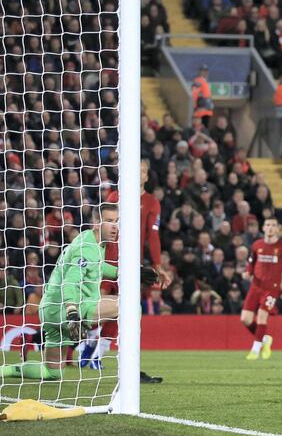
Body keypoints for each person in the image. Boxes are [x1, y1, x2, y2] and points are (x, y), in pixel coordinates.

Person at [1, 204, 158, 380]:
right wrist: (72, 311)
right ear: (96, 223)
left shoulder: (90, 241)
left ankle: (4, 371)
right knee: (131, 305)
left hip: (49, 309)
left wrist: (128, 271)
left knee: (52, 372)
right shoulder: (87, 248)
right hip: (67, 308)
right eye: (109, 221)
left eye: (117, 221)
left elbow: (96, 266)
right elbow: (71, 281)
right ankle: (130, 370)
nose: (115, 226)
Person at [80, 160, 171, 384]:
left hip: (132, 263)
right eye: (136, 169)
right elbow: (103, 229)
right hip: (109, 259)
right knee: (99, 304)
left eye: (143, 171)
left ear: (147, 177)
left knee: (126, 307)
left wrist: (158, 266)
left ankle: (97, 354)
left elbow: (153, 236)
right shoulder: (115, 197)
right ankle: (89, 340)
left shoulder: (151, 203)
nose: (139, 174)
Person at [241, 217, 282, 360]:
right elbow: (251, 262)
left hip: (272, 288)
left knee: (261, 316)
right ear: (263, 228)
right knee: (245, 319)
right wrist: (248, 272)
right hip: (256, 286)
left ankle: (255, 349)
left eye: (273, 225)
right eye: (267, 225)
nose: (270, 227)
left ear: (278, 228)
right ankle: (265, 339)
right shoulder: (256, 245)